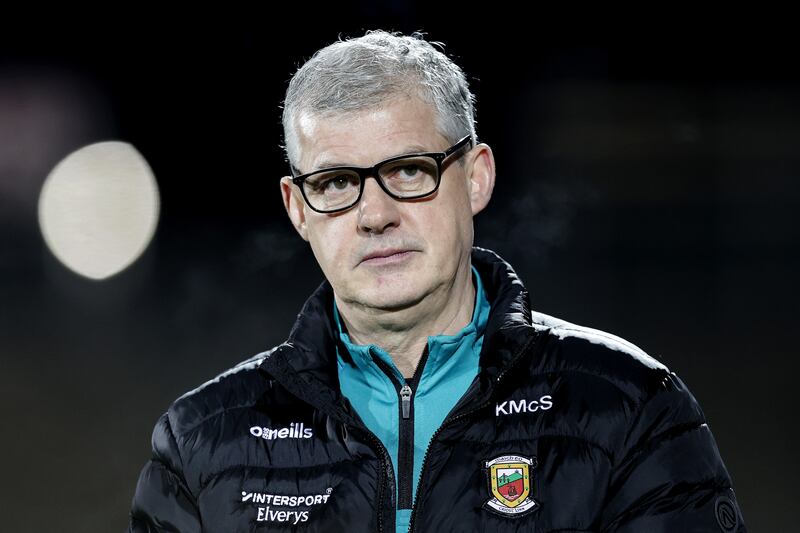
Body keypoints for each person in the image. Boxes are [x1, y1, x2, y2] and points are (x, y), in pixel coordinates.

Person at [128, 29, 747, 532]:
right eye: (337, 183)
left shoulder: (631, 407)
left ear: (475, 178)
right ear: (297, 208)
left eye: (408, 170)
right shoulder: (200, 444)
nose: (375, 215)